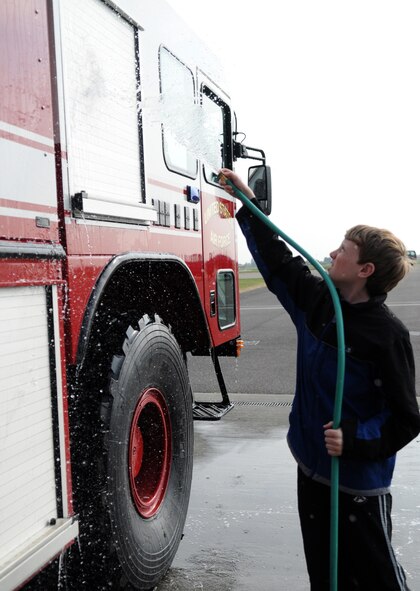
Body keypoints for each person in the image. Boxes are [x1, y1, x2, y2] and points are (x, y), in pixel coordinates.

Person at [219, 168, 420, 591]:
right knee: (325, 577)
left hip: (357, 483)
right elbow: (278, 262)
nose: (331, 252)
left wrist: (355, 441)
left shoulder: (387, 336)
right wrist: (247, 203)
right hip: (311, 470)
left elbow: (406, 418)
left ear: (365, 269)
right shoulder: (316, 302)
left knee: (377, 578)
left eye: (343, 250)